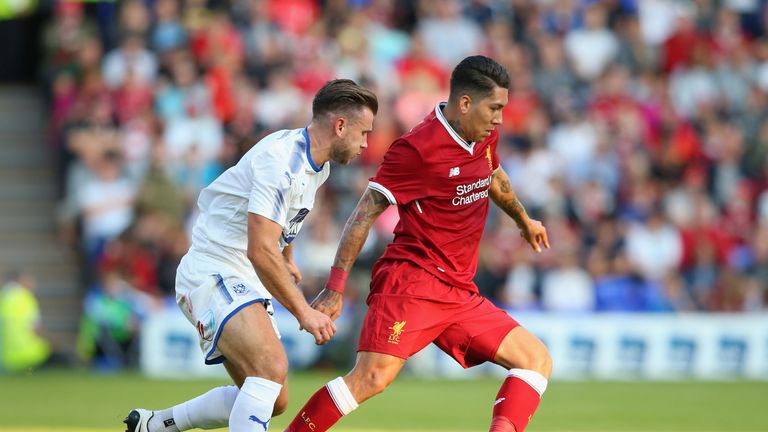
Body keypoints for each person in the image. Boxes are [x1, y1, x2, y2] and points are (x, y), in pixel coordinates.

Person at [285, 56, 552, 432]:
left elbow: (491, 172)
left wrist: (523, 220)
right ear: (465, 103)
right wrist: (335, 288)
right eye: (494, 108)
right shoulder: (417, 149)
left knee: (535, 359)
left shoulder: (483, 135)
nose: (499, 119)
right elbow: (363, 215)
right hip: (412, 284)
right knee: (370, 379)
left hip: (458, 291)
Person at [124, 79, 378, 432]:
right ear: (339, 126)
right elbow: (259, 248)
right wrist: (303, 311)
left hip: (242, 275)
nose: (366, 143)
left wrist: (287, 255)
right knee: (270, 368)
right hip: (213, 270)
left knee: (273, 398)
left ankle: (155, 425)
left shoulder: (318, 166)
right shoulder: (281, 163)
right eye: (363, 132)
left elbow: (285, 217)